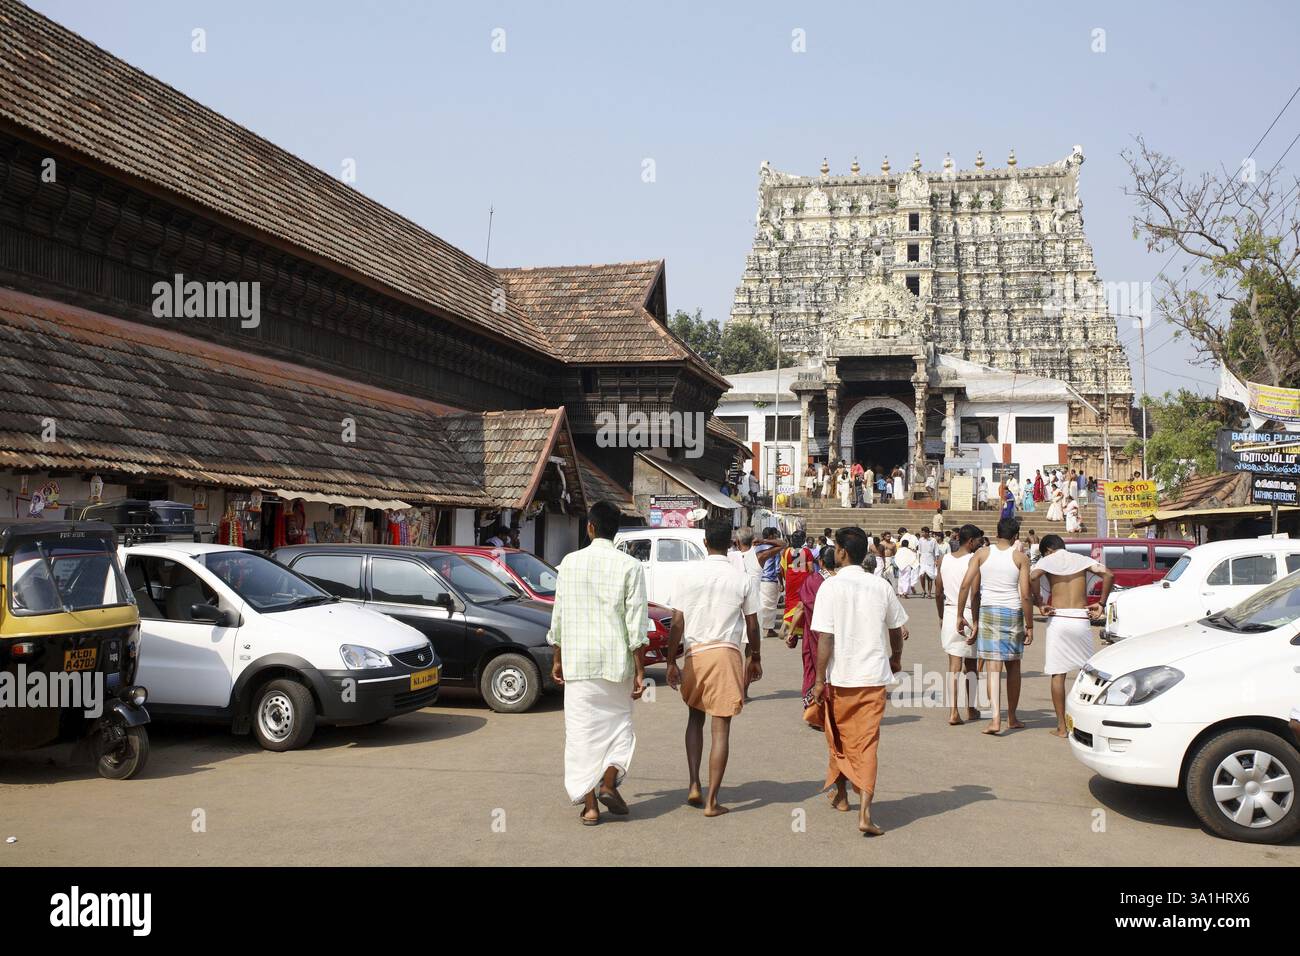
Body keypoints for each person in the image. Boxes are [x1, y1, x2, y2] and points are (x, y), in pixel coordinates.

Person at [548, 500, 650, 826]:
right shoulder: (630, 567)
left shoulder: (569, 563)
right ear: (616, 531)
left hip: (579, 664)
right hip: (615, 664)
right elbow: (637, 625)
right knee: (620, 728)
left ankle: (590, 807)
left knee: (581, 737)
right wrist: (640, 669)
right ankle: (608, 781)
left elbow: (559, 616)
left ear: (590, 527)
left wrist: (557, 658)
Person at [810, 526, 908, 836]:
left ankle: (846, 797)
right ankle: (859, 808)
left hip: (841, 678)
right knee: (866, 744)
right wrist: (896, 657)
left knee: (837, 737)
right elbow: (896, 628)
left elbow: (825, 638)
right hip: (872, 678)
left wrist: (819, 679)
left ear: (840, 552)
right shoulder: (880, 586)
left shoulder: (830, 587)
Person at [664, 520, 763, 816]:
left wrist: (671, 661)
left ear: (705, 543)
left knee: (695, 719)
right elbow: (753, 624)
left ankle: (694, 784)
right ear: (731, 544)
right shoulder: (741, 579)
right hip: (727, 654)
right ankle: (712, 802)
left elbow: (677, 623)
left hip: (696, 654)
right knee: (721, 730)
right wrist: (754, 656)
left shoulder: (688, 576)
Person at [1029, 533, 1113, 738]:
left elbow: (1032, 577)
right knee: (1089, 674)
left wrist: (1039, 601)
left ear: (1048, 550)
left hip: (1059, 617)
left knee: (1058, 675)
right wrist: (1101, 603)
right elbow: (1109, 575)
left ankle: (1061, 727)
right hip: (1080, 618)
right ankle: (1091, 724)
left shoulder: (1047, 561)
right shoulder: (1082, 560)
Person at [956, 515, 1033, 736]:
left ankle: (996, 719)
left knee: (992, 668)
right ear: (1016, 536)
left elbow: (965, 586)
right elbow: (1025, 595)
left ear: (996, 532)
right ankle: (1012, 717)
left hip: (988, 611)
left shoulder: (981, 554)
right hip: (1012, 611)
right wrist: (1030, 625)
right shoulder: (1020, 557)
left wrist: (960, 615)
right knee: (1014, 667)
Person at [936, 523, 982, 725]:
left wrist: (941, 615)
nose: (980, 545)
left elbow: (938, 591)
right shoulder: (974, 561)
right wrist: (978, 620)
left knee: (954, 665)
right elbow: (975, 593)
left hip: (949, 611)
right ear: (970, 541)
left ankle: (953, 711)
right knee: (971, 665)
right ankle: (970, 708)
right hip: (968, 614)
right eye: (978, 541)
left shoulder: (944, 559)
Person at [784, 544, 836, 722]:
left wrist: (791, 632)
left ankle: (817, 712)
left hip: (816, 635)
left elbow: (800, 607)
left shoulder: (813, 580)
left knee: (815, 669)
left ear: (820, 562)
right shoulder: (842, 581)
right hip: (841, 633)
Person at [780, 531, 818, 645]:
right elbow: (811, 569)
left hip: (791, 578)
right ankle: (798, 628)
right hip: (803, 579)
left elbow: (782, 568)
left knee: (790, 601)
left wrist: (786, 578)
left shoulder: (786, 552)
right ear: (803, 540)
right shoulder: (806, 552)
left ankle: (787, 621)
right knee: (801, 602)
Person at [755, 528, 785, 641]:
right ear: (772, 536)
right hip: (770, 580)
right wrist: (781, 583)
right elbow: (778, 569)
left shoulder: (757, 547)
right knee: (771, 606)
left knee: (762, 603)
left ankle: (762, 627)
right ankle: (769, 629)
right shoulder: (774, 549)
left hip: (759, 579)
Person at [917, 527, 938, 598]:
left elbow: (936, 551)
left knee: (930, 576)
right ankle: (923, 591)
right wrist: (918, 560)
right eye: (922, 532)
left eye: (923, 532)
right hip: (922, 559)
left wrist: (936, 560)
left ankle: (929, 593)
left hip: (930, 559)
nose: (922, 534)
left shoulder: (933, 540)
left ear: (927, 532)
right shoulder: (920, 540)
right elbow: (919, 551)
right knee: (922, 575)